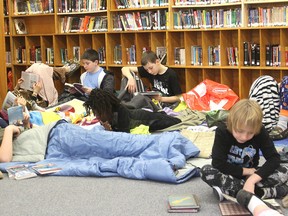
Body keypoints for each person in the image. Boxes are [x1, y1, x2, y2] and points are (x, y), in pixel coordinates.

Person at [200, 99, 288, 201]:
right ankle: (262, 192)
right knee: (206, 171)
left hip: (252, 176)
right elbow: (218, 163)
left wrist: (252, 180)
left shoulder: (261, 131)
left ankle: (234, 191)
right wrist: (246, 171)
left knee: (285, 170)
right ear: (231, 123)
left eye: (250, 133)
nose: (244, 137)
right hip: (230, 174)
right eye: (239, 131)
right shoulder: (222, 131)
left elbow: (274, 159)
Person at [83, 88, 181, 133]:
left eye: (98, 112)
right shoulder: (107, 113)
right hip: (141, 115)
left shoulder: (120, 112)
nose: (97, 115)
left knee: (174, 121)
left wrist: (110, 131)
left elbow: (124, 136)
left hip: (146, 119)